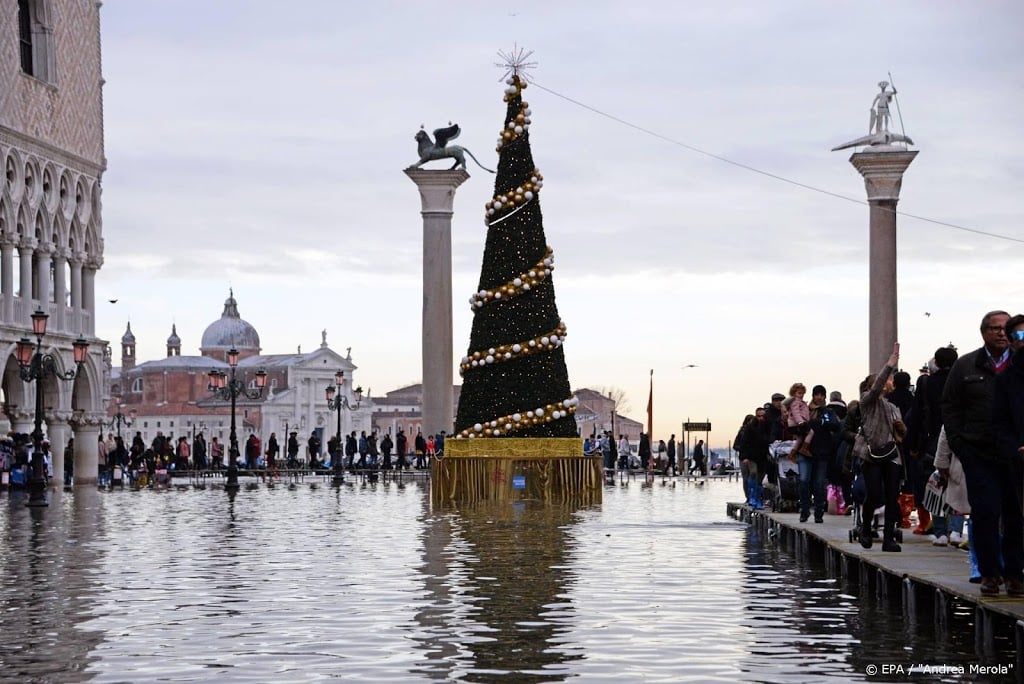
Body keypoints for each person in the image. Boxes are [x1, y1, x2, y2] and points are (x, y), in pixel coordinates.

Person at [987, 313, 1024, 597]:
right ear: (1012, 342)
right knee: (1013, 517)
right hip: (1015, 457)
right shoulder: (1005, 379)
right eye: (1021, 336)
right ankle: (1013, 574)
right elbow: (998, 421)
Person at [856, 342, 904, 552]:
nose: (886, 382)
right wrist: (890, 364)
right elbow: (876, 389)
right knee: (874, 494)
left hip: (891, 452)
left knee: (893, 496)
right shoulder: (867, 401)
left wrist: (902, 428)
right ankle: (865, 529)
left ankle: (888, 538)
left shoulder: (893, 407)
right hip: (872, 452)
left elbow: (902, 435)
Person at [800, 385, 838, 523]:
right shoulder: (804, 410)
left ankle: (818, 513)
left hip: (822, 452)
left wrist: (822, 422)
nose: (819, 397)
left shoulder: (828, 412)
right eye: (817, 395)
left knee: (819, 483)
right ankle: (804, 511)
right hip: (805, 451)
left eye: (822, 395)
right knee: (804, 481)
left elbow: (835, 425)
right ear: (813, 396)